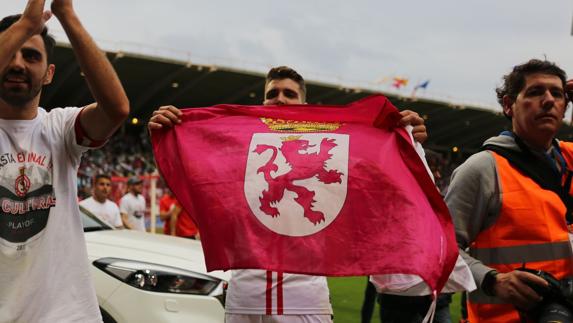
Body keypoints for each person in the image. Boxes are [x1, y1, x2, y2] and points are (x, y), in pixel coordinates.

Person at [149, 66, 427, 323]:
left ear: (304, 105)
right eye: (272, 94)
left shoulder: (342, 145)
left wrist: (405, 143)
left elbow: (382, 180)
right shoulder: (235, 148)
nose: (279, 99)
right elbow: (193, 177)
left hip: (305, 301)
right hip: (245, 299)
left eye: (289, 94)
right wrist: (168, 134)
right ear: (262, 103)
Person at [0, 0, 129, 321]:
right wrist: (27, 25)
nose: (18, 64)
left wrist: (67, 15)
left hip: (66, 314)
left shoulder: (60, 128)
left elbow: (117, 109)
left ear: (49, 74)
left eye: (31, 56)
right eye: (11, 51)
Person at [446, 59, 573, 322]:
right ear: (508, 105)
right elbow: (440, 249)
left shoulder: (570, 159)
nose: (548, 100)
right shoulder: (482, 169)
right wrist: (493, 281)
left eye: (557, 94)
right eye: (535, 92)